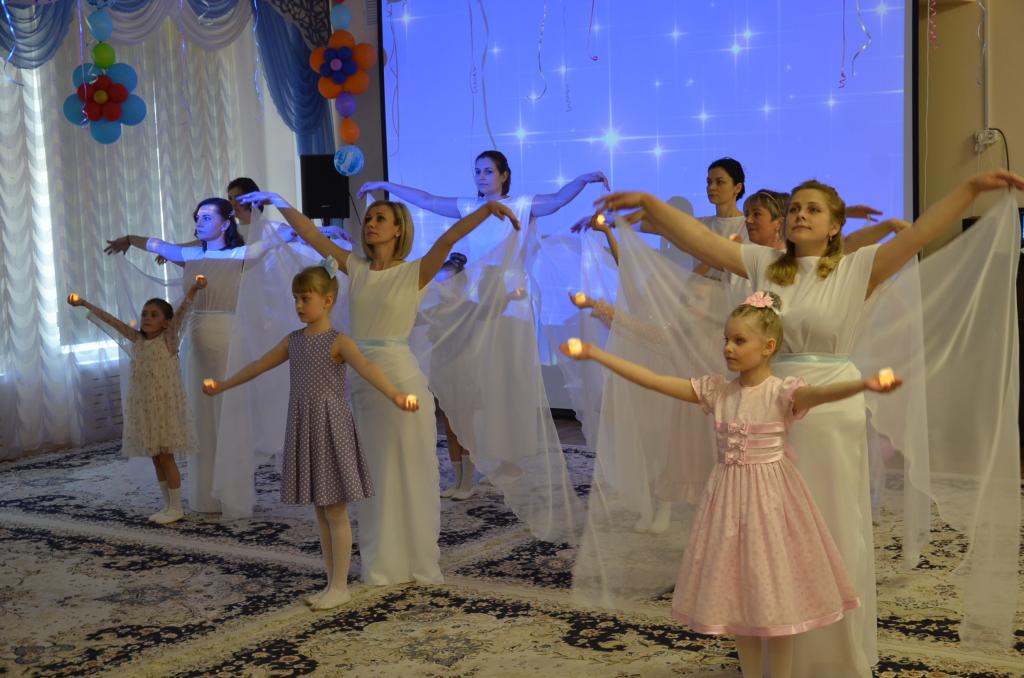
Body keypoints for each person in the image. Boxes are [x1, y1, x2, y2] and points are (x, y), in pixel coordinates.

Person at [592, 169, 1024, 676]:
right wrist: (650, 202)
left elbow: (922, 233)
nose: (801, 215)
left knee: (834, 528)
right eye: (795, 207)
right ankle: (774, 639)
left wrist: (969, 189)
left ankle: (833, 655)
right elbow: (700, 241)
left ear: (835, 225)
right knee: (767, 538)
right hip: (768, 409)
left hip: (829, 414)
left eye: (814, 209)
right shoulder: (764, 264)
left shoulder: (858, 267)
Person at [562, 290, 902, 678]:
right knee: (739, 599)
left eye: (739, 340)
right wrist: (596, 354)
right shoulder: (718, 391)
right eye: (726, 339)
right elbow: (655, 381)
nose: (728, 348)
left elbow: (820, 394)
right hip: (726, 502)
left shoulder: (781, 391)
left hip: (773, 502)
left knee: (777, 599)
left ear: (768, 347)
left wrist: (865, 385)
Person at [237, 188, 519, 584]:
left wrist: (487, 209)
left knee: (411, 472)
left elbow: (450, 238)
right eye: (368, 219)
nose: (370, 224)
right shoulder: (356, 267)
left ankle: (418, 560)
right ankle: (383, 562)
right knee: (374, 475)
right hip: (363, 383)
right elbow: (312, 235)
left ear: (398, 229)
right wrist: (278, 199)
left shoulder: (415, 271)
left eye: (380, 219)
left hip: (401, 379)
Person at [203, 263, 417, 608]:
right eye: (296, 299)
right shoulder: (294, 342)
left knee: (335, 510)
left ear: (327, 300)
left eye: (305, 298)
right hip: (305, 425)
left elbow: (368, 368)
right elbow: (258, 365)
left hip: (331, 428)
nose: (299, 305)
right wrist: (224, 384)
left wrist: (395, 395)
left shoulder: (338, 342)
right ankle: (333, 583)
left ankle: (340, 587)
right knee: (321, 511)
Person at [67, 276, 206, 524]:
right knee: (156, 457)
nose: (147, 318)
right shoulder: (137, 340)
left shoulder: (169, 339)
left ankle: (177, 507)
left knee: (166, 456)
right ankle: (167, 506)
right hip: (146, 410)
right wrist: (85, 303)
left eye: (154, 314)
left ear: (166, 323)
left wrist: (195, 288)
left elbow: (183, 311)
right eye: (144, 314)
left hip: (165, 409)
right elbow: (111, 321)